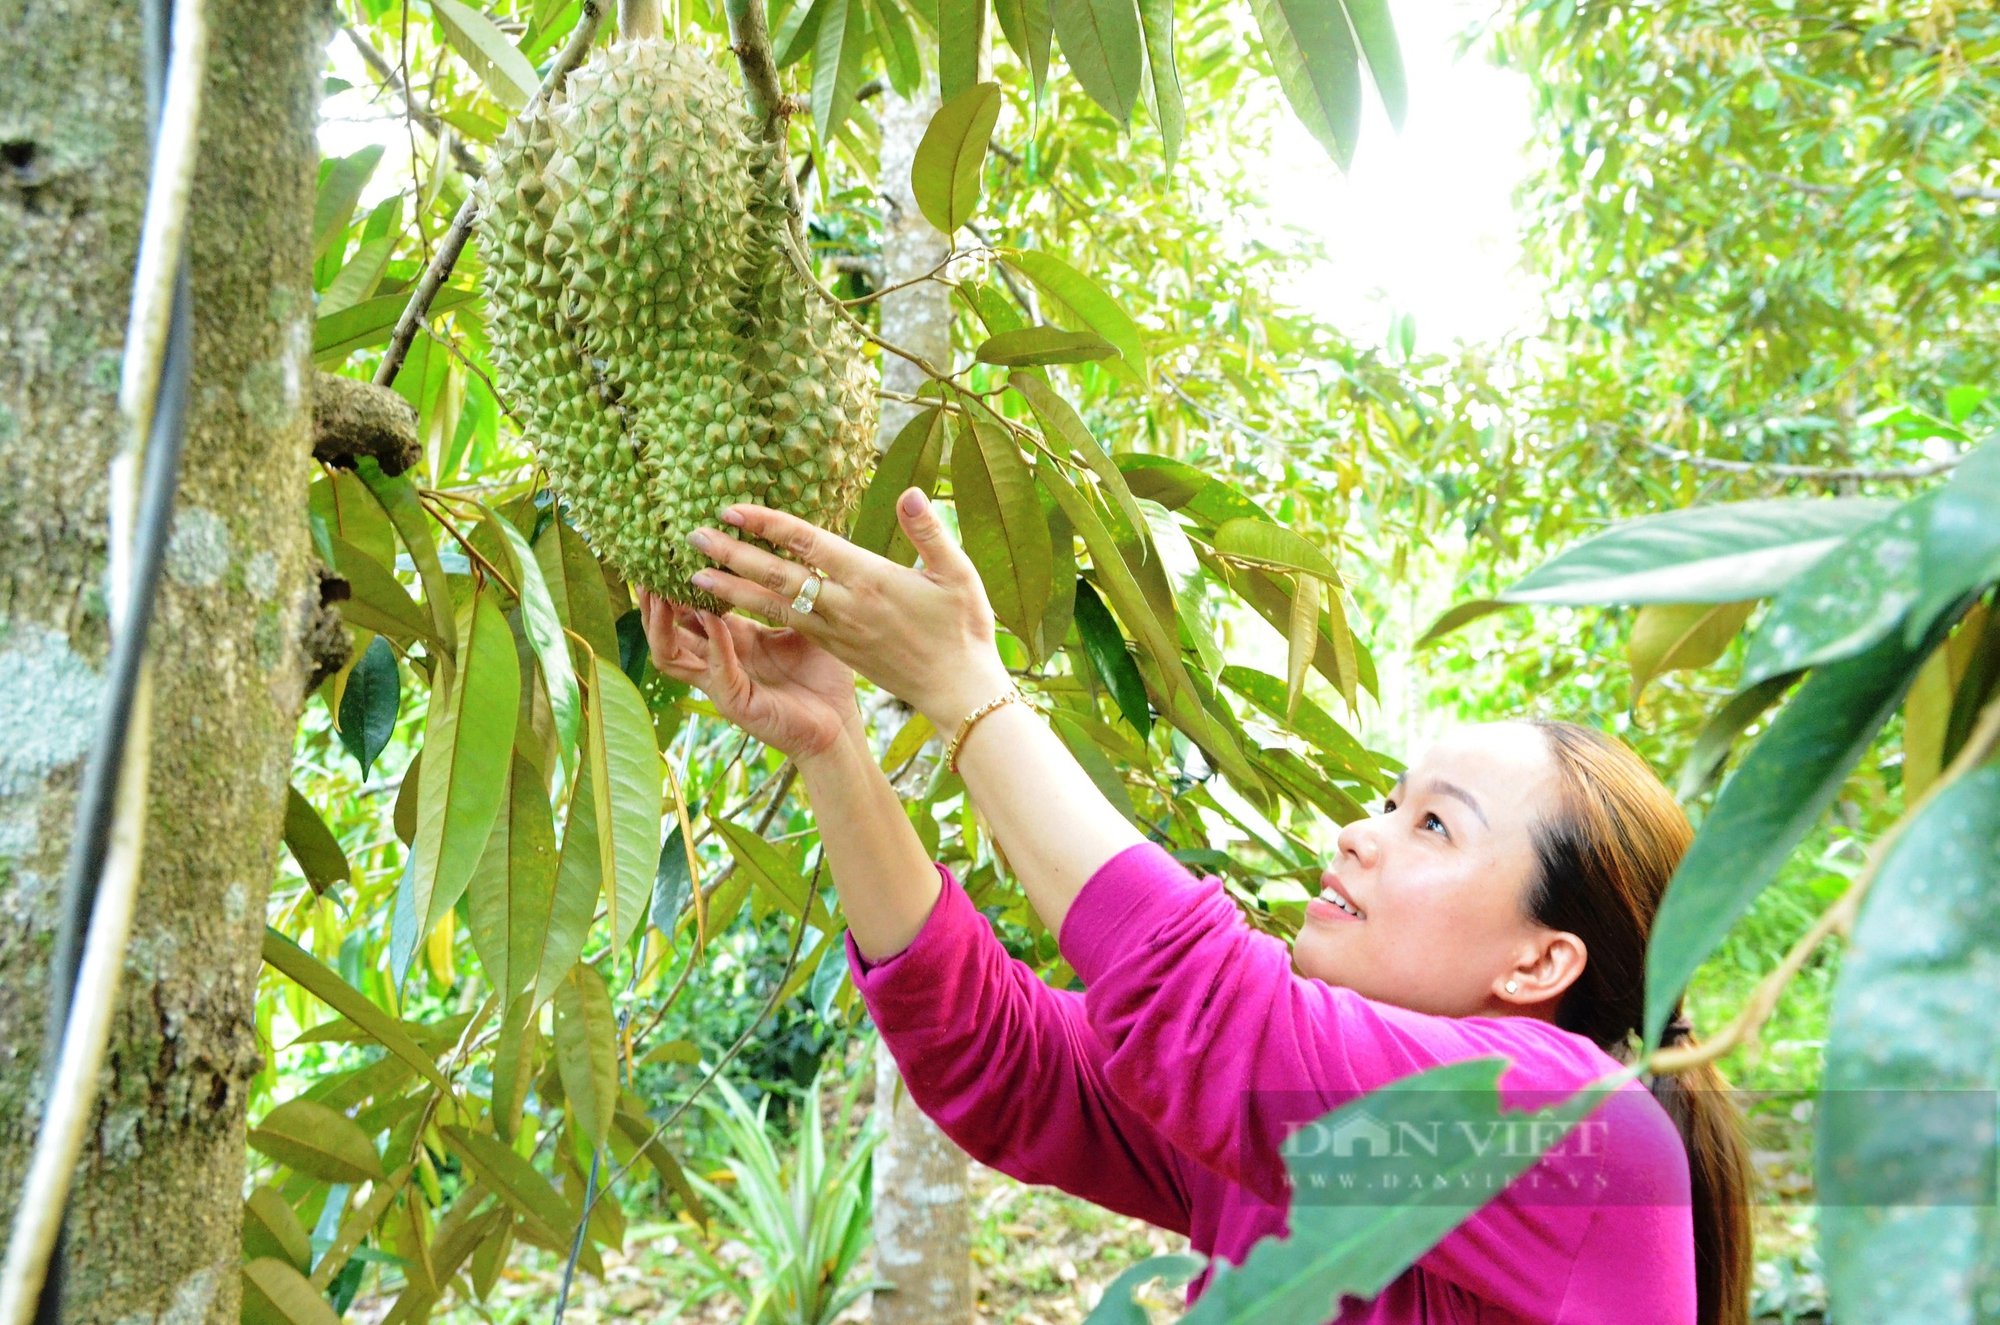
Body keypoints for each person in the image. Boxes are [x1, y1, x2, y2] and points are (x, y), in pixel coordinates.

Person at [635, 490, 1753, 1325]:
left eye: (1432, 826)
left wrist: (965, 685)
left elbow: (1210, 1005)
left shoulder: (1589, 1132)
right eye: (1384, 799)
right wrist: (832, 743)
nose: (1356, 833)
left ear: (1537, 961)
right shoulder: (1282, 1130)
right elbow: (1005, 1058)